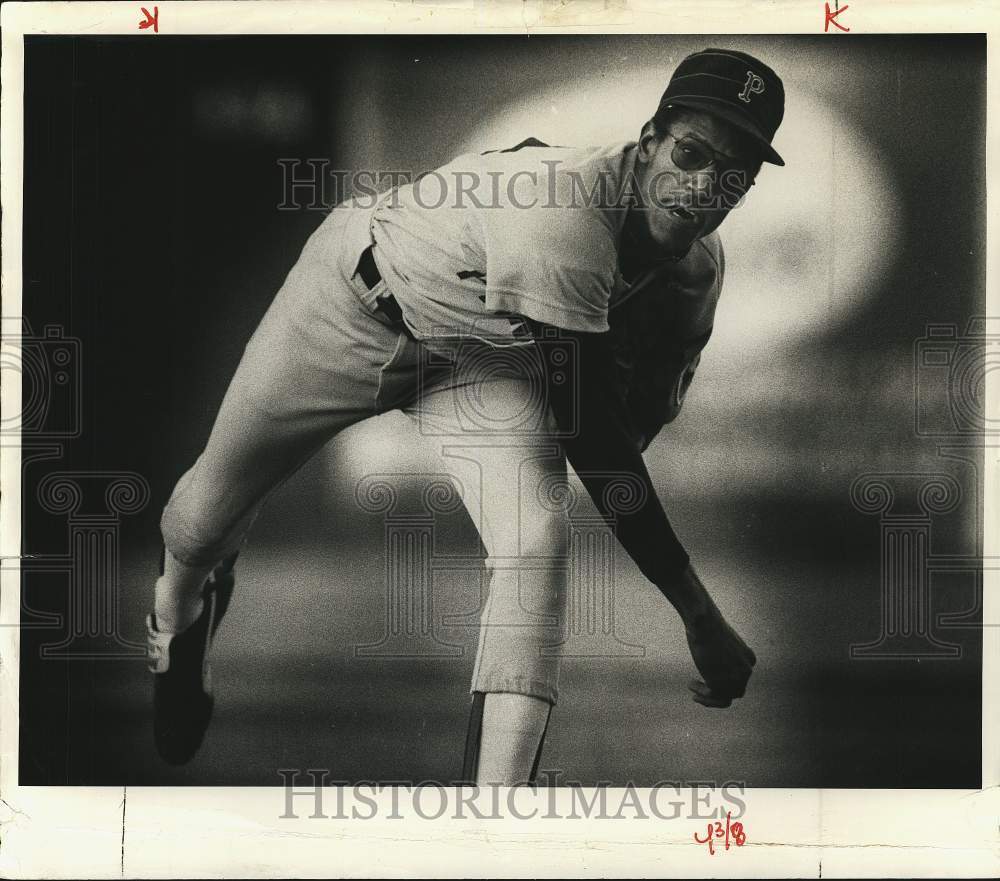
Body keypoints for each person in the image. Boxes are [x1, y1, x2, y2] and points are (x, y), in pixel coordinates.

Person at [147, 48, 785, 784]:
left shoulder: (695, 275)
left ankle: (493, 821)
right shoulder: (565, 204)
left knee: (536, 539)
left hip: (482, 362)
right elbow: (596, 441)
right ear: (648, 141)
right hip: (355, 300)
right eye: (692, 152)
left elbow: (632, 424)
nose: (704, 184)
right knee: (198, 521)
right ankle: (175, 618)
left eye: (731, 172)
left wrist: (626, 395)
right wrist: (698, 613)